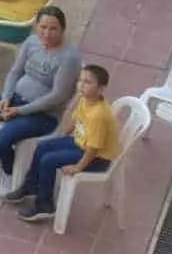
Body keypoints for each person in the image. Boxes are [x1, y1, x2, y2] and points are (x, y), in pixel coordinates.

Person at [0, 6, 81, 195]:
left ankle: (8, 173)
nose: (47, 33)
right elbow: (15, 71)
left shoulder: (69, 58)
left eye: (53, 29)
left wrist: (20, 111)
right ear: (36, 27)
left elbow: (57, 96)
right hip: (15, 99)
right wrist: (6, 97)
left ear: (62, 30)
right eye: (43, 27)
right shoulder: (31, 42)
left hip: (43, 114)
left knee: (2, 139)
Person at [7, 63, 122, 223]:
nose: (81, 85)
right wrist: (61, 136)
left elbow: (94, 149)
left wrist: (78, 167)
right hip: (80, 143)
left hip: (97, 158)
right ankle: (31, 185)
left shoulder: (99, 115)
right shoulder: (85, 99)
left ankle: (45, 205)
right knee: (43, 147)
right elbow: (76, 120)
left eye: (88, 82)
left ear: (101, 89)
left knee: (48, 160)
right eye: (80, 80)